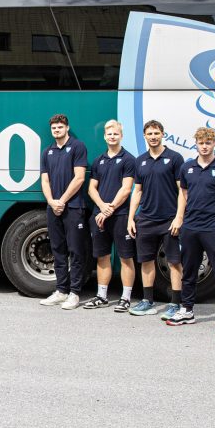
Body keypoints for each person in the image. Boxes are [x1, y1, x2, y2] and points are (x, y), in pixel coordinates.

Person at [166, 128, 215, 333]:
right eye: (201, 143)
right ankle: (187, 310)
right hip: (191, 227)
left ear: (214, 144)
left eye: (208, 142)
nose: (204, 146)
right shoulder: (187, 168)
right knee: (189, 271)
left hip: (214, 229)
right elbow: (183, 194)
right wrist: (180, 217)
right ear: (196, 144)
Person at [126, 120, 184, 317]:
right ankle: (147, 301)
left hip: (169, 220)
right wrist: (131, 218)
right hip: (146, 220)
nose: (153, 136)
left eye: (156, 133)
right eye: (149, 133)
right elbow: (137, 191)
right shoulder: (140, 161)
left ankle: (176, 303)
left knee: (174, 262)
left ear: (162, 134)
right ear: (144, 136)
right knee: (146, 261)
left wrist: (179, 217)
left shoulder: (175, 158)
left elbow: (182, 191)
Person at [83, 120, 137, 311]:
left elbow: (126, 189)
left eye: (116, 133)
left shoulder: (129, 160)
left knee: (125, 257)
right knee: (102, 257)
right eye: (109, 134)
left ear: (121, 136)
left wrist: (110, 208)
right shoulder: (99, 161)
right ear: (105, 137)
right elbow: (91, 188)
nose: (112, 136)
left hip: (121, 215)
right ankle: (102, 295)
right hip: (100, 215)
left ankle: (125, 298)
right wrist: (102, 207)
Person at [38, 114, 89, 310]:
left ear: (67, 128)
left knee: (75, 250)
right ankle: (61, 291)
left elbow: (79, 178)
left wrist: (62, 200)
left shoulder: (77, 146)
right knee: (57, 250)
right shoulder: (47, 151)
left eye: (60, 127)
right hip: (54, 208)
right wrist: (52, 201)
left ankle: (75, 293)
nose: (57, 130)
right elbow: (45, 180)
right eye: (54, 128)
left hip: (73, 207)